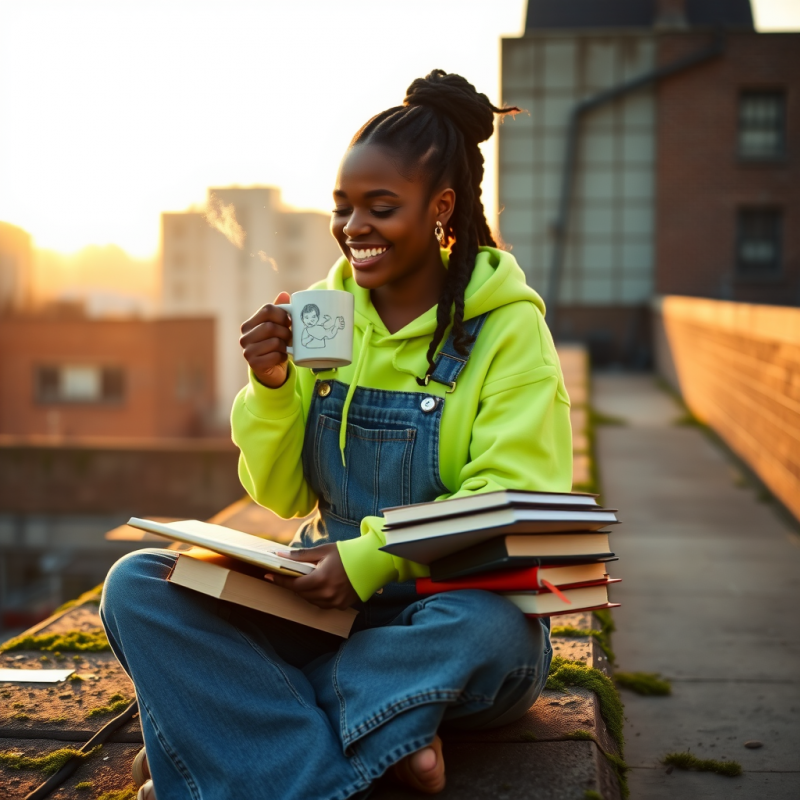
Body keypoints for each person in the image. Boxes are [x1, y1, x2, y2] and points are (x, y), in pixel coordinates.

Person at [99, 69, 572, 800]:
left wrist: (371, 557)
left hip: (442, 606)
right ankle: (385, 739)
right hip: (323, 603)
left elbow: (513, 503)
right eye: (344, 206)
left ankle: (236, 738)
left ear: (441, 207)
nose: (354, 227)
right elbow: (282, 495)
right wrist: (273, 387)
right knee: (139, 585)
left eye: (380, 207)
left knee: (492, 629)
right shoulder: (328, 319)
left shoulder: (509, 331)